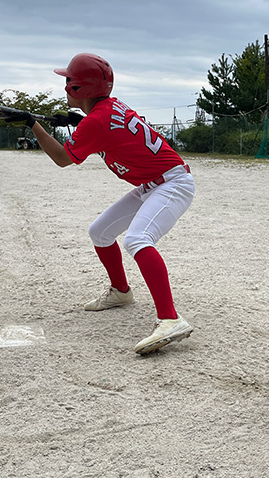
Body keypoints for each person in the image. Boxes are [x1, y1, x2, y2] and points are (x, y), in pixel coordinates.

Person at [22, 53, 195, 355]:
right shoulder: (108, 110)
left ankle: (170, 318)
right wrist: (79, 122)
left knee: (138, 239)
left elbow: (63, 159)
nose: (65, 87)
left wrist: (33, 125)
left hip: (172, 183)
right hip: (154, 183)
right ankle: (121, 292)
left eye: (69, 82)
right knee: (100, 232)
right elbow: (103, 130)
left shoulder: (97, 121)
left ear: (81, 90)